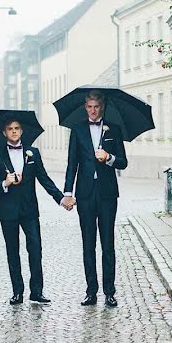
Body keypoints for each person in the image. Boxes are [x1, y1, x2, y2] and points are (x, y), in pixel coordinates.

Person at [0, 118, 72, 305]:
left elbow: (44, 179)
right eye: (10, 129)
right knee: (12, 251)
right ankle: (17, 292)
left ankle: (37, 292)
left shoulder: (33, 153)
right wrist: (4, 183)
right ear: (4, 133)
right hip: (7, 211)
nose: (14, 132)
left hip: (29, 210)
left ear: (22, 131)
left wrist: (61, 198)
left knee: (35, 249)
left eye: (17, 128)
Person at [63, 91, 128, 307]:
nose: (93, 110)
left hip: (108, 194)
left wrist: (108, 158)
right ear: (85, 107)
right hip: (85, 194)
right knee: (88, 243)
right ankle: (91, 291)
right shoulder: (78, 130)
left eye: (96, 107)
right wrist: (68, 193)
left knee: (107, 243)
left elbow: (123, 162)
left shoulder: (114, 130)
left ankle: (109, 292)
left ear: (103, 107)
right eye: (89, 107)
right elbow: (72, 163)